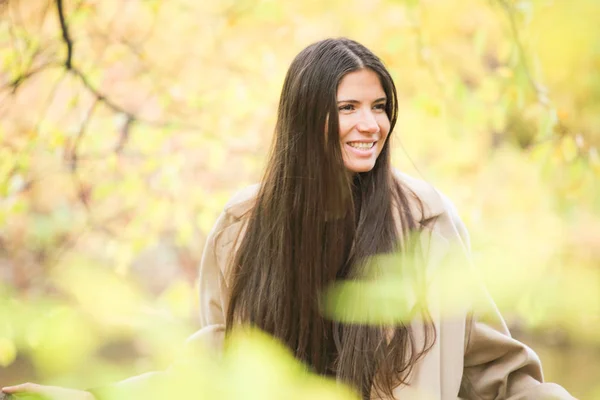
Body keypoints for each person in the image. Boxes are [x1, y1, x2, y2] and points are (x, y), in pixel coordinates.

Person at [2, 38, 575, 400]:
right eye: (347, 107)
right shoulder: (242, 228)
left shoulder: (424, 224)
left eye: (378, 107)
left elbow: (491, 371)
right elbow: (215, 370)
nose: (369, 124)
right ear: (307, 118)